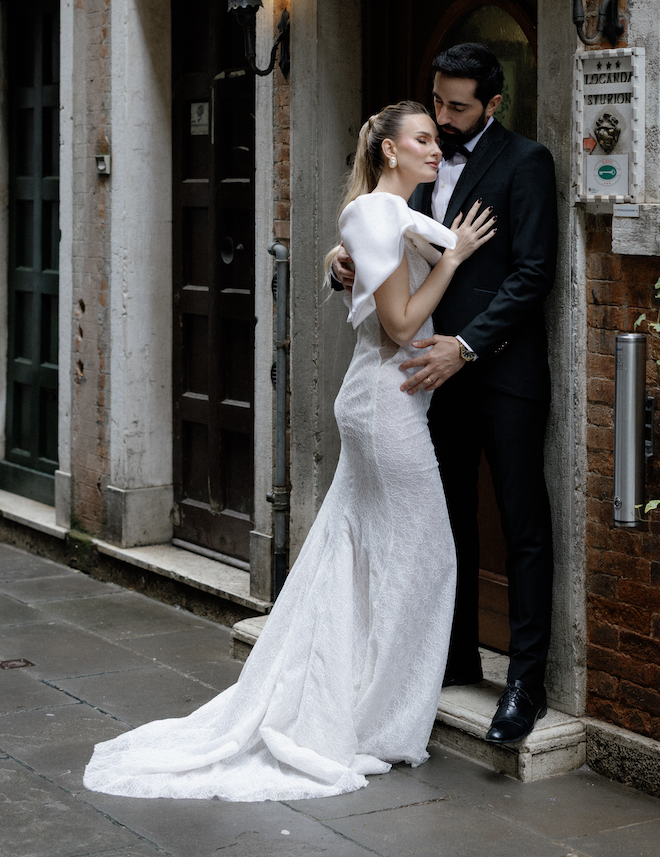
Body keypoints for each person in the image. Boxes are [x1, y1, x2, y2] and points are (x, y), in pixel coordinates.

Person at [83, 102, 495, 803]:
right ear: (389, 150)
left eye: (436, 138)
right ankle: (375, 719)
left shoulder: (390, 213)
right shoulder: (376, 213)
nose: (435, 148)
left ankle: (355, 698)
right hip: (386, 402)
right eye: (422, 139)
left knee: (356, 553)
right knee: (427, 556)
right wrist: (452, 258)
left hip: (384, 399)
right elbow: (400, 326)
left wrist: (362, 260)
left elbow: (371, 267)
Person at [333, 43, 558, 744]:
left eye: (458, 107)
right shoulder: (418, 163)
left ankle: (525, 682)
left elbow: (532, 274)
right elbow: (386, 240)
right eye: (437, 103)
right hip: (425, 380)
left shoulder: (527, 162)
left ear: (493, 104)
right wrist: (345, 266)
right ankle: (452, 656)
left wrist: (465, 347)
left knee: (521, 525)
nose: (444, 118)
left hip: (500, 372)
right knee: (444, 518)